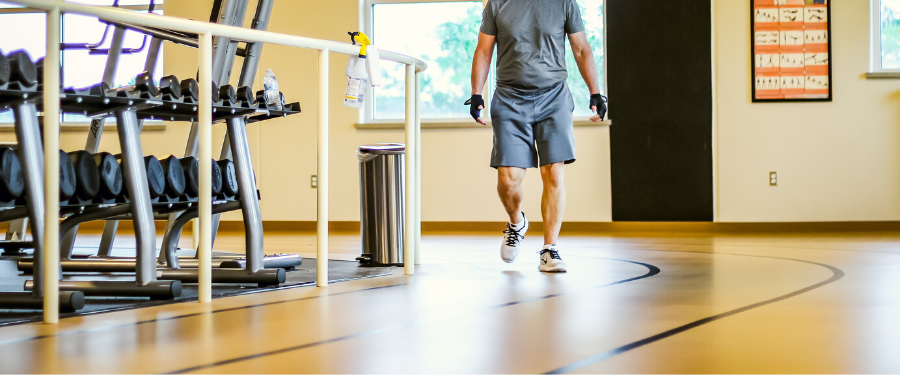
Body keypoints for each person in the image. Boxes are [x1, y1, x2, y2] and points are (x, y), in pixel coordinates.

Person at [467, 0, 608, 273]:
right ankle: (517, 222)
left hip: (553, 96)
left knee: (554, 173)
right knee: (508, 180)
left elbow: (581, 48)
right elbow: (484, 50)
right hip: (509, 98)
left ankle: (549, 249)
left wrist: (595, 91)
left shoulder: (564, 3)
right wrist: (476, 93)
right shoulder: (497, 4)